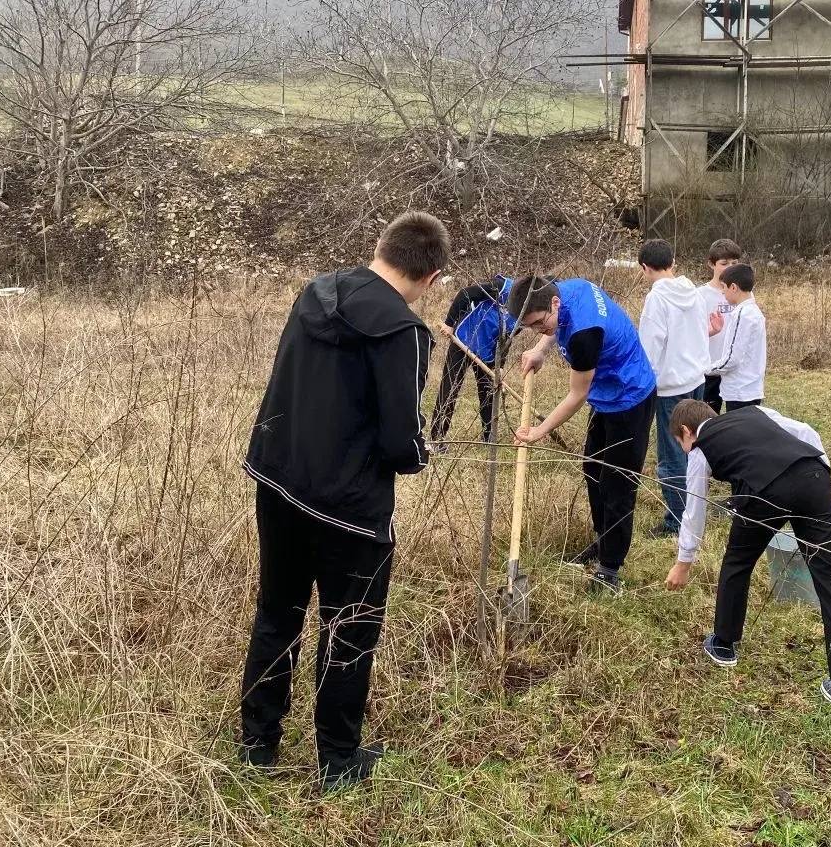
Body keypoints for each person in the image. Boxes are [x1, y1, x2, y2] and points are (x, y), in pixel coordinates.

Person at [239, 211, 450, 790]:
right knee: (350, 627)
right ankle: (338, 757)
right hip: (350, 510)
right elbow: (401, 443)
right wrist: (420, 451)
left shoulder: (315, 291)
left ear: (379, 248)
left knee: (278, 613)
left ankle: (258, 744)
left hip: (277, 481)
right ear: (431, 277)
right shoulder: (404, 333)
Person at [662, 399, 831, 718]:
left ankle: (724, 644)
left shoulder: (702, 446)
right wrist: (827, 479)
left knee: (738, 563)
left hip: (765, 492)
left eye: (681, 444)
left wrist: (683, 562)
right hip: (813, 476)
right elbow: (806, 431)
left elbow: (694, 510)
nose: (686, 450)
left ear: (687, 432)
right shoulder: (756, 412)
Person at [507, 275, 657, 594]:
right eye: (531, 328)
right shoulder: (565, 289)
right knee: (593, 469)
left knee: (618, 482)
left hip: (629, 396)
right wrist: (540, 349)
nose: (539, 331)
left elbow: (576, 395)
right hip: (606, 397)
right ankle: (604, 542)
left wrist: (538, 431)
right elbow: (554, 325)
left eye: (538, 324)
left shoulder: (583, 335)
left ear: (554, 303)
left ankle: (610, 569)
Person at [637, 239, 717, 537]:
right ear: (673, 262)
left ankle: (677, 522)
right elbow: (701, 333)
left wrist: (645, 384)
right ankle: (696, 510)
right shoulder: (694, 293)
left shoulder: (656, 299)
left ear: (645, 268)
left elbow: (649, 346)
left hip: (670, 388)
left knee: (672, 456)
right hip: (696, 380)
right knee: (694, 449)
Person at [429, 275, 517, 447]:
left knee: (488, 390)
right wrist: (449, 323)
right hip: (464, 338)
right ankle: (437, 439)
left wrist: (499, 366)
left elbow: (507, 338)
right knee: (451, 387)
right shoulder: (503, 287)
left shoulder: (526, 314)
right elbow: (465, 293)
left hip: (488, 351)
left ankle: (488, 438)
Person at [708, 262, 766, 411]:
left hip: (740, 391)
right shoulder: (752, 311)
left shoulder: (743, 314)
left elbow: (732, 359)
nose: (722, 292)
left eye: (724, 287)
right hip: (749, 389)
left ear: (733, 287)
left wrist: (706, 369)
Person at [698, 239, 743, 413]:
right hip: (710, 370)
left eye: (734, 263)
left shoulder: (744, 292)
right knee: (708, 418)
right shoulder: (700, 295)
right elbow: (693, 333)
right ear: (711, 264)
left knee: (737, 420)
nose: (730, 267)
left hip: (735, 370)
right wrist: (711, 330)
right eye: (724, 263)